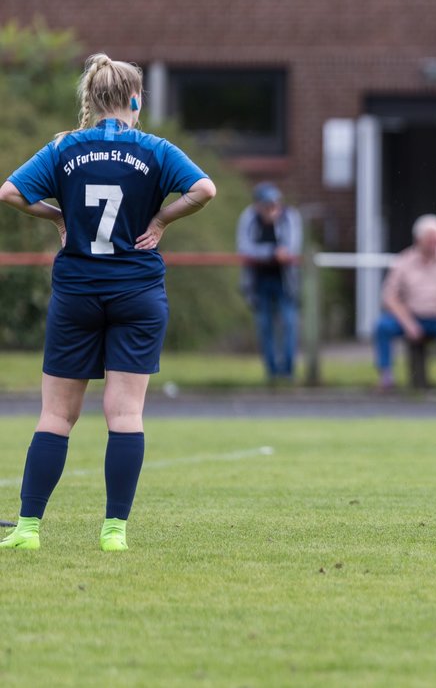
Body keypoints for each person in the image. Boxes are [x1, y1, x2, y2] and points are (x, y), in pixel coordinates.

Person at [0, 54, 216, 551]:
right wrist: (161, 222)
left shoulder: (65, 148)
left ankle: (28, 529)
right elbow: (204, 189)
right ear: (136, 100)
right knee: (125, 416)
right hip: (137, 293)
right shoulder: (154, 149)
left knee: (56, 417)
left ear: (92, 100)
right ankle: (114, 531)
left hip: (77, 292)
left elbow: (10, 192)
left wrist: (57, 217)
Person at [374, 214, 436, 391]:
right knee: (382, 326)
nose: (435, 244)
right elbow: (389, 296)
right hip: (410, 317)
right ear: (419, 239)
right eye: (431, 240)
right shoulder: (403, 261)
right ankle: (385, 375)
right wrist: (408, 322)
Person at [236, 182, 303, 383]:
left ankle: (288, 372)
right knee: (265, 326)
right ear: (257, 205)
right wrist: (272, 253)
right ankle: (272, 372)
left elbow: (291, 248)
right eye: (266, 204)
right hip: (259, 281)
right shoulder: (249, 217)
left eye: (275, 203)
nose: (272, 208)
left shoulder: (290, 217)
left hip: (285, 281)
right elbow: (245, 249)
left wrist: (275, 229)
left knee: (289, 323)